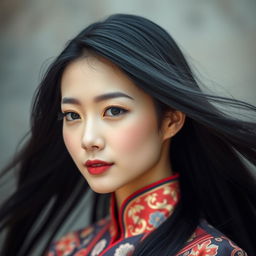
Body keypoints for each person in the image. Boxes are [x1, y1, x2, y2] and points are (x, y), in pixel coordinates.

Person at [0, 14, 255, 256]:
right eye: (72, 115)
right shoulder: (65, 250)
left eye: (113, 110)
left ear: (170, 121)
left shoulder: (210, 252)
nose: (88, 140)